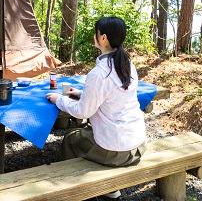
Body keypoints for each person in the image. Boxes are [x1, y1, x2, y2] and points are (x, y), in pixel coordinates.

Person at [46, 16, 146, 201]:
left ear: (103, 38)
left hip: (118, 151)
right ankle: (109, 191)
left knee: (71, 138)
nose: (95, 35)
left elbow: (83, 112)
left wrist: (59, 99)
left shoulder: (99, 73)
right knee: (85, 134)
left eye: (96, 33)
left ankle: (78, 190)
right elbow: (112, 97)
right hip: (138, 144)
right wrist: (83, 94)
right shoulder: (127, 64)